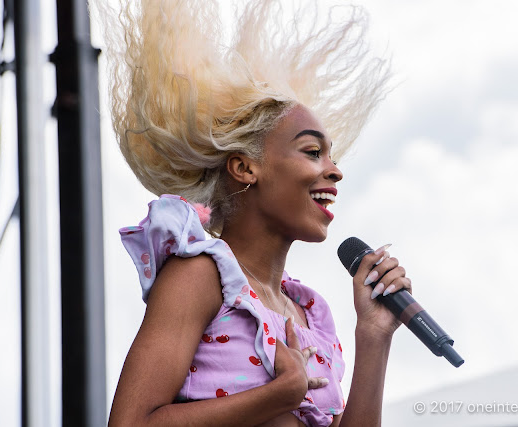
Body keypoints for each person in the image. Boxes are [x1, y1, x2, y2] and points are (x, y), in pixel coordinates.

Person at [95, 0, 412, 425]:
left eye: (331, 157)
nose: (334, 171)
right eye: (313, 152)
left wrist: (373, 336)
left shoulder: (310, 312)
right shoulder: (201, 277)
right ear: (246, 167)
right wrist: (279, 395)